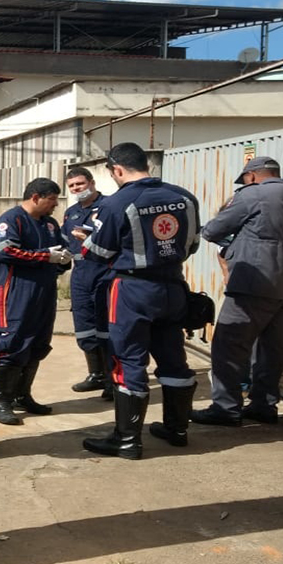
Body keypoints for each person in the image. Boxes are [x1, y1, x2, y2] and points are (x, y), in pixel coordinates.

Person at [80, 142, 200, 460]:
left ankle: (127, 440)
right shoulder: (184, 197)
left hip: (133, 290)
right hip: (174, 286)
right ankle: (177, 429)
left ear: (117, 170)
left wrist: (87, 241)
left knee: (129, 360)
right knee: (174, 357)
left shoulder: (117, 203)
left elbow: (97, 254)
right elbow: (193, 244)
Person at [191, 156, 283, 427]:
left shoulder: (252, 195)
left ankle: (225, 408)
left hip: (252, 283)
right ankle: (263, 405)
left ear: (252, 176)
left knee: (228, 345)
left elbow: (213, 230)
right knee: (271, 349)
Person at [0, 178, 71, 425]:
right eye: (52, 200)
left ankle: (22, 395)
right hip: (15, 292)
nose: (55, 205)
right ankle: (2, 401)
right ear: (35, 197)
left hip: (44, 292)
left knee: (37, 344)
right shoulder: (11, 219)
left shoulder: (49, 224)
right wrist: (45, 256)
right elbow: (5, 251)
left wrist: (63, 259)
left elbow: (61, 249)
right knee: (10, 344)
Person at [61, 168, 114, 401]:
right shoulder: (71, 212)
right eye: (72, 186)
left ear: (91, 183)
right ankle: (96, 374)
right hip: (80, 273)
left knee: (108, 328)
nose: (76, 189)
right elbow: (65, 241)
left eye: (80, 184)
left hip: (104, 271)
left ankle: (113, 379)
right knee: (84, 325)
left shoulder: (109, 206)